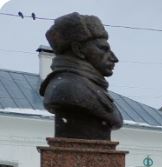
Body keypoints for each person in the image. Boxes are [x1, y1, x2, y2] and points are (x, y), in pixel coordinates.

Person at [40, 12, 123, 140]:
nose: (114, 58)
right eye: (103, 49)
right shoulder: (67, 88)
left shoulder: (88, 87)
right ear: (78, 50)